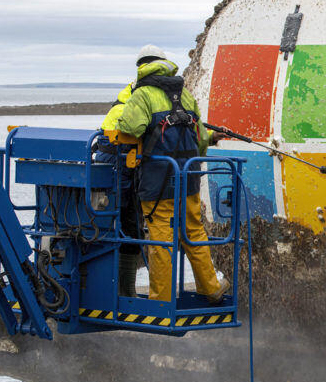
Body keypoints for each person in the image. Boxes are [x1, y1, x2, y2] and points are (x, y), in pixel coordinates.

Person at [116, 46, 229, 303]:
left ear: (141, 67)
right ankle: (210, 288)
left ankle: (161, 300)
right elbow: (199, 139)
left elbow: (132, 128)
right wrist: (212, 138)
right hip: (188, 178)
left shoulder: (142, 94)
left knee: (161, 240)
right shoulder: (185, 95)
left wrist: (122, 123)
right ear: (166, 64)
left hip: (157, 182)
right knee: (193, 231)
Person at [94, 45, 168, 296]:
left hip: (115, 159)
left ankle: (121, 290)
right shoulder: (146, 93)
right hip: (119, 160)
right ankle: (122, 291)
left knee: (120, 224)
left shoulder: (135, 89)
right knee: (124, 223)